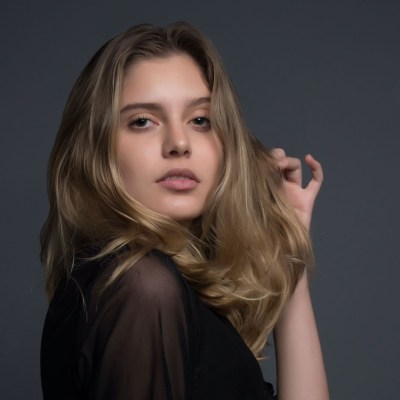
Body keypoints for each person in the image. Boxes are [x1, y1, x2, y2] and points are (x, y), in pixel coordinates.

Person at [40, 21, 329, 399]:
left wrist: (288, 255)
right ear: (96, 148)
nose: (179, 142)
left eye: (200, 120)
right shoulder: (142, 288)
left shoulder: (154, 289)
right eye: (142, 121)